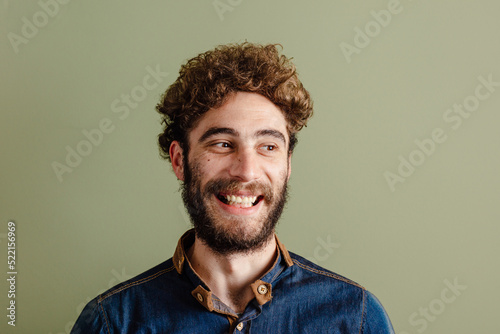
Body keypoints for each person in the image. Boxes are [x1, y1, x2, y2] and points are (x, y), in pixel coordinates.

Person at [72, 42, 394, 333]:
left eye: (268, 146)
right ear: (179, 160)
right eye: (223, 144)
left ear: (288, 164)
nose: (247, 171)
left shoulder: (356, 319)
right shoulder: (112, 323)